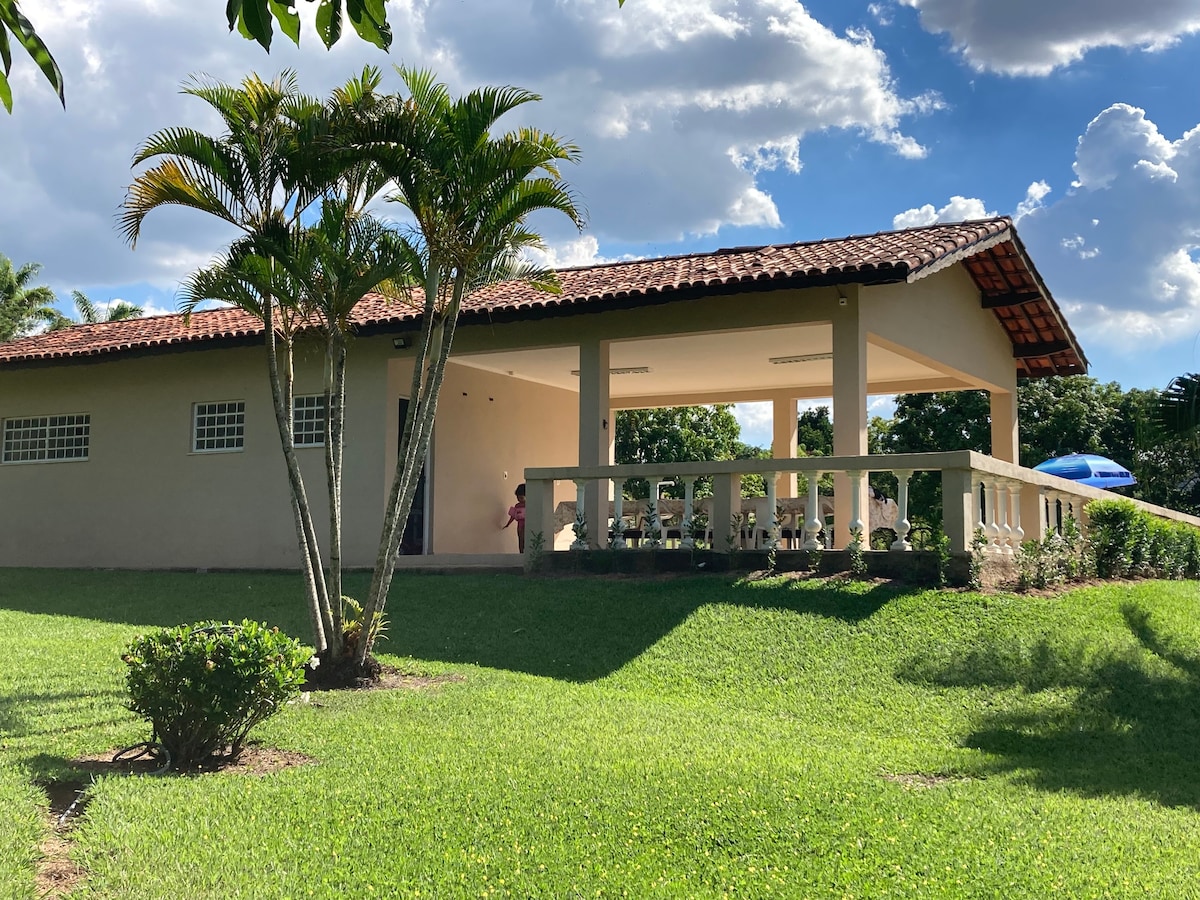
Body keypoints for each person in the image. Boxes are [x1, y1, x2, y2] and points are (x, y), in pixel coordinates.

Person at [502, 483, 526, 552]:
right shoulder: (517, 506)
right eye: (518, 498)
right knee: (520, 539)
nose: (519, 500)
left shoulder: (529, 505)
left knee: (525, 539)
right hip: (520, 525)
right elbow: (513, 516)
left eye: (521, 498)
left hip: (526, 524)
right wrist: (508, 524)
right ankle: (521, 553)